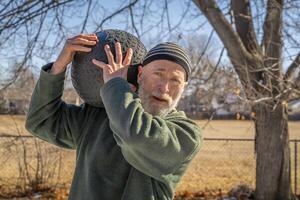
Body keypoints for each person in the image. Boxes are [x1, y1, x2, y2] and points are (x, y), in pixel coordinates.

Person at [25, 33, 202, 200]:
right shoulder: (98, 115)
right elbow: (41, 120)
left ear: (184, 87)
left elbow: (135, 136)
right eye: (158, 74)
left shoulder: (186, 134)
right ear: (140, 74)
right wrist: (58, 67)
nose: (164, 87)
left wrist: (116, 85)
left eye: (175, 80)